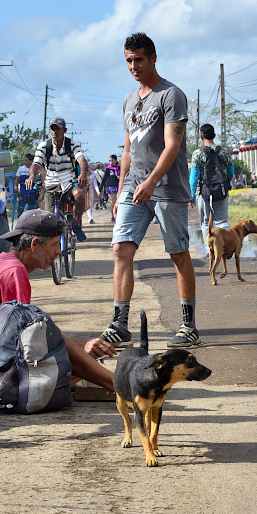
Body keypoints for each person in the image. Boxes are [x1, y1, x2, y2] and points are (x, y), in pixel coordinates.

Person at [98, 32, 200, 350]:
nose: (133, 66)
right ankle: (120, 323)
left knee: (177, 253)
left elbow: (173, 145)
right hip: (133, 187)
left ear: (153, 58)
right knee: (121, 250)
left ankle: (189, 326)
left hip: (166, 187)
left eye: (139, 59)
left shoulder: (171, 95)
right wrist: (120, 193)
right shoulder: (129, 100)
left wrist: (152, 181)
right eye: (129, 60)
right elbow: (127, 149)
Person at [0, 209, 116, 399]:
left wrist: (82, 347)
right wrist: (81, 349)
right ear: (34, 244)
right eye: (54, 244)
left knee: (64, 354)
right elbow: (30, 340)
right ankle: (119, 383)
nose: (59, 251)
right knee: (59, 346)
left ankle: (99, 379)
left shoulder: (2, 262)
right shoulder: (13, 271)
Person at [28, 117, 89, 242]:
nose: (55, 132)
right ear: (50, 131)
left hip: (68, 182)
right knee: (51, 221)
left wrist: (83, 173)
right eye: (52, 129)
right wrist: (32, 176)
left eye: (58, 129)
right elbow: (35, 163)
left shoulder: (72, 144)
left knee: (79, 195)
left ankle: (76, 226)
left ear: (64, 130)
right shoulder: (44, 146)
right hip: (51, 183)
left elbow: (81, 159)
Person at [189, 123, 233, 245]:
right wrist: (225, 185)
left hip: (204, 193)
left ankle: (211, 251)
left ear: (201, 137)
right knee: (222, 221)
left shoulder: (197, 154)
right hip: (222, 190)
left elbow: (194, 177)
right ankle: (227, 246)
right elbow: (231, 172)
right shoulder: (224, 152)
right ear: (214, 135)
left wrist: (191, 196)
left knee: (205, 223)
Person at [100, 155, 120, 221]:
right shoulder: (108, 169)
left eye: (112, 160)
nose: (110, 162)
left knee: (119, 203)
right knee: (113, 203)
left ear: (115, 160)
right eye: (109, 160)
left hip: (119, 187)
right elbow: (104, 179)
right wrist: (100, 188)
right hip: (111, 187)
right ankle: (113, 217)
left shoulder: (119, 168)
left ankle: (119, 217)